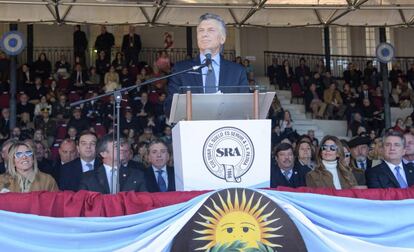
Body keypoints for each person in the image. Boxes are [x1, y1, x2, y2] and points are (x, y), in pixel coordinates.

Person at [166, 13, 248, 114]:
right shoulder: (181, 69)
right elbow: (169, 107)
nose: (204, 34)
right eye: (201, 30)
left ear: (222, 38)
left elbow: (245, 107)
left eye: (211, 30)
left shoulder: (237, 71)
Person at [79, 135, 147, 193]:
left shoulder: (137, 175)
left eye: (121, 145)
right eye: (116, 146)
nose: (122, 148)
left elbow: (144, 201)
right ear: (103, 153)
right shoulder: (88, 178)